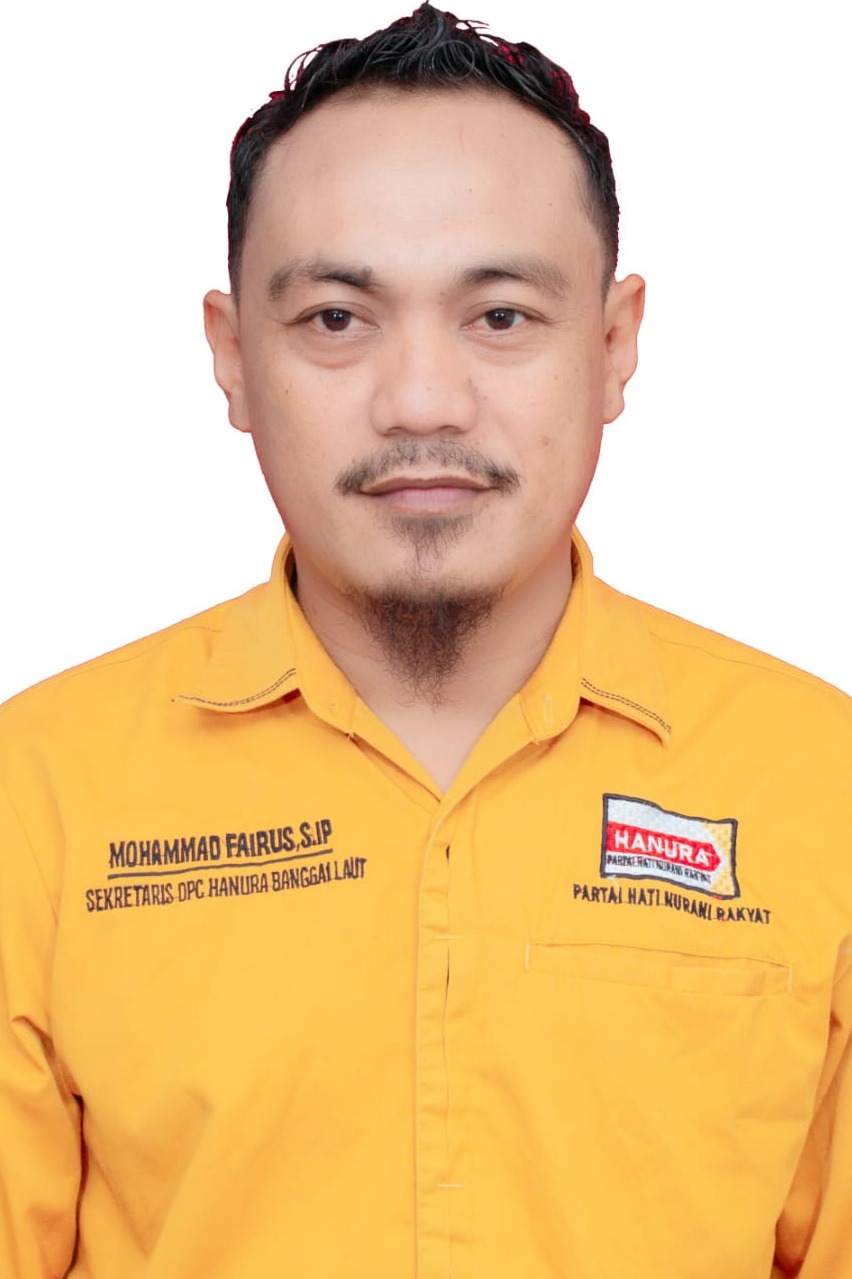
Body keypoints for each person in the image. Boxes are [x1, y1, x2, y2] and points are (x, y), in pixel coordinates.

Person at [0, 4, 849, 1275]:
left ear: (613, 345)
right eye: (336, 319)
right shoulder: (36, 794)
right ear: (232, 358)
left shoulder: (823, 784)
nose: (421, 402)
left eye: (500, 316)